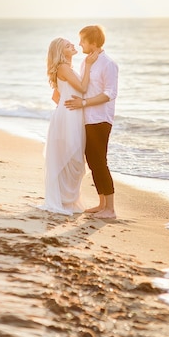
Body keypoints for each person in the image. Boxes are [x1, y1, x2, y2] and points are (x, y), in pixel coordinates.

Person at [38, 37, 98, 215]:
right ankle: (64, 201)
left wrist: (63, 105)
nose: (72, 45)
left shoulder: (65, 68)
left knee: (74, 159)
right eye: (67, 45)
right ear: (60, 52)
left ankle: (66, 200)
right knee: (73, 158)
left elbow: (55, 97)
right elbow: (82, 88)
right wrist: (88, 65)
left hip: (68, 115)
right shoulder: (64, 68)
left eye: (71, 43)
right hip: (69, 116)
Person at [64, 25, 119, 219]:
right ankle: (102, 204)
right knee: (93, 161)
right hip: (87, 119)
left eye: (83, 41)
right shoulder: (85, 63)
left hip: (101, 119)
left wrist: (83, 103)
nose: (80, 44)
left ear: (93, 43)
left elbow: (109, 94)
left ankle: (111, 209)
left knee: (100, 162)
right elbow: (83, 87)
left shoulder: (108, 64)